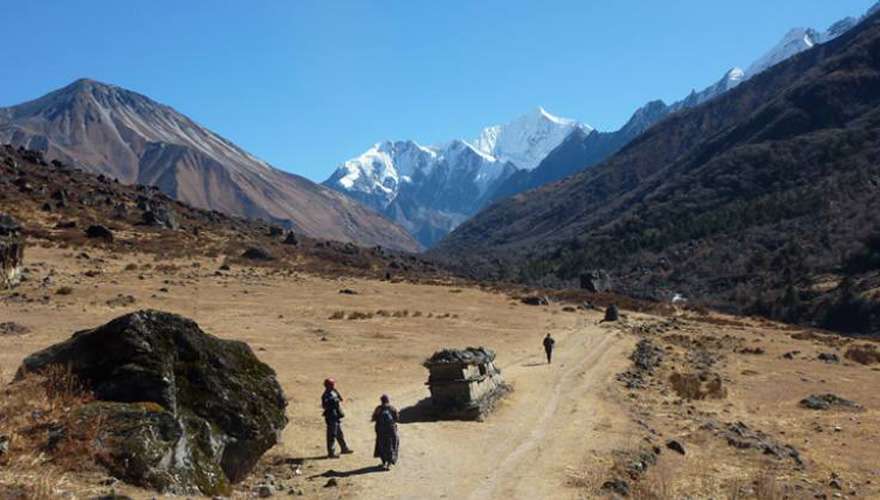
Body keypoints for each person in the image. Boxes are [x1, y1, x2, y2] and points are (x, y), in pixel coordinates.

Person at [322, 378, 353, 458]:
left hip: (336, 416)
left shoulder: (334, 391)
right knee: (332, 435)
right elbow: (325, 405)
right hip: (331, 416)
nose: (333, 385)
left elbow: (340, 399)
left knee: (339, 434)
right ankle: (331, 453)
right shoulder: (325, 395)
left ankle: (344, 448)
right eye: (332, 384)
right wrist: (333, 401)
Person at [371, 394, 400, 470]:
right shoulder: (392, 408)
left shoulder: (378, 408)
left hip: (381, 431)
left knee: (381, 445)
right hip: (391, 430)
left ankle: (384, 462)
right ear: (388, 400)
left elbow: (373, 418)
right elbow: (397, 418)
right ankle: (390, 463)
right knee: (392, 445)